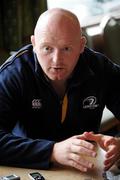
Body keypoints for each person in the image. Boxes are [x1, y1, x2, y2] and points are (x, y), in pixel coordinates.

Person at [0, 8, 120, 173]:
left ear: (81, 45)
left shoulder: (101, 68)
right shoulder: (13, 74)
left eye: (66, 49)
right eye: (47, 48)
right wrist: (52, 151)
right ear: (34, 44)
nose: (56, 60)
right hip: (28, 168)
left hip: (87, 168)